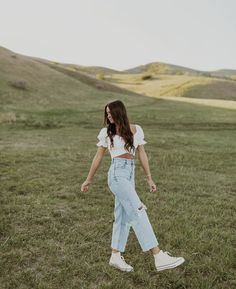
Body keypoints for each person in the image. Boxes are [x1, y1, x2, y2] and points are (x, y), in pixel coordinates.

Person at [81, 100, 185, 272]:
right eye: (106, 113)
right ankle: (158, 256)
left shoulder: (136, 129)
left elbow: (142, 154)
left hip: (130, 174)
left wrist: (149, 178)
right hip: (117, 174)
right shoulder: (106, 132)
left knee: (122, 216)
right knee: (138, 210)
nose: (108, 116)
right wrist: (89, 179)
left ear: (119, 112)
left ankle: (115, 256)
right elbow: (98, 157)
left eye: (110, 113)